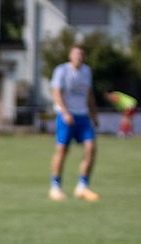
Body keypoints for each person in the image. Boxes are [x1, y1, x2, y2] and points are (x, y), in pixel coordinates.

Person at [48, 44, 99, 202]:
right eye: (76, 53)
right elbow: (56, 93)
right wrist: (65, 112)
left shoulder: (87, 71)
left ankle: (82, 187)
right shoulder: (61, 70)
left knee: (91, 148)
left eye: (82, 54)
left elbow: (89, 94)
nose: (79, 57)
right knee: (62, 150)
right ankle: (55, 187)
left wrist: (94, 114)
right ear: (70, 56)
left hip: (83, 116)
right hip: (66, 117)